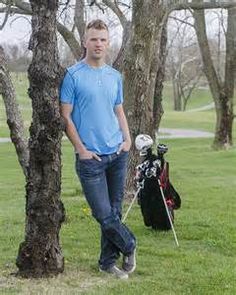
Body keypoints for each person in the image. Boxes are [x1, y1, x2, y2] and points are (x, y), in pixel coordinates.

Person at [60, 19, 136, 279]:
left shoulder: (115, 76)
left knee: (113, 212)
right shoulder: (72, 75)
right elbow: (65, 116)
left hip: (117, 154)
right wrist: (80, 149)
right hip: (90, 158)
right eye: (94, 39)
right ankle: (130, 245)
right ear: (85, 42)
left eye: (103, 39)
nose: (99, 44)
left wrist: (127, 140)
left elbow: (119, 110)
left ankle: (107, 263)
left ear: (108, 43)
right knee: (104, 215)